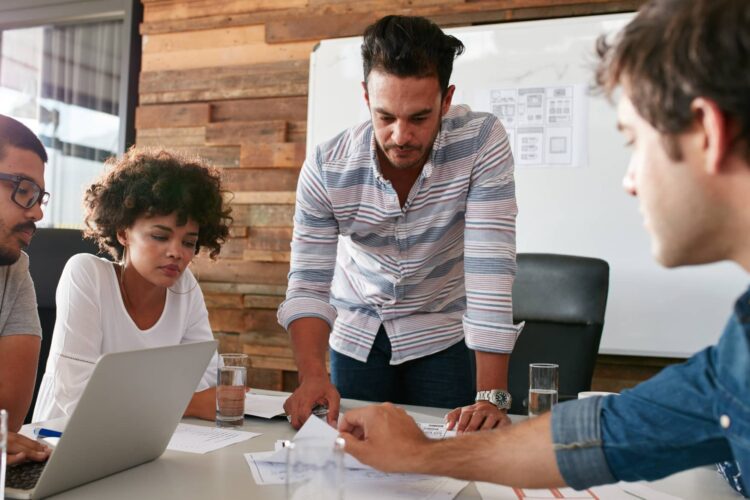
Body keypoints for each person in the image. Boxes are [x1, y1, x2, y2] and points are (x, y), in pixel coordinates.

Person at [337, 0, 750, 495]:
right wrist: (424, 454)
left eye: (635, 141)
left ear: (708, 132)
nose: (630, 180)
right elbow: (612, 433)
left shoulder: (482, 141)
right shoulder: (738, 355)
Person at [279, 15, 521, 431]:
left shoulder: (481, 142)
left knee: (447, 457)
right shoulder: (327, 167)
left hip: (441, 331)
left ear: (446, 101)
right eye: (385, 116)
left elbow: (490, 269)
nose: (400, 135)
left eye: (419, 118)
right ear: (365, 96)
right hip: (358, 333)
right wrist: (312, 376)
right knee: (357, 462)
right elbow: (308, 282)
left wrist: (490, 397)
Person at [33, 148, 232, 422]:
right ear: (123, 232)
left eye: (188, 242)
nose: (177, 252)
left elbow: (208, 377)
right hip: (59, 441)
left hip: (147, 436)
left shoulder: (185, 288)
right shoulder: (86, 274)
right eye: (160, 236)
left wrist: (140, 397)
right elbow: (78, 395)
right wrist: (189, 404)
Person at [0, 114, 52, 464]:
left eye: (39, 197)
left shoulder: (14, 271)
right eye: (23, 191)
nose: (37, 213)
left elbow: (7, 424)